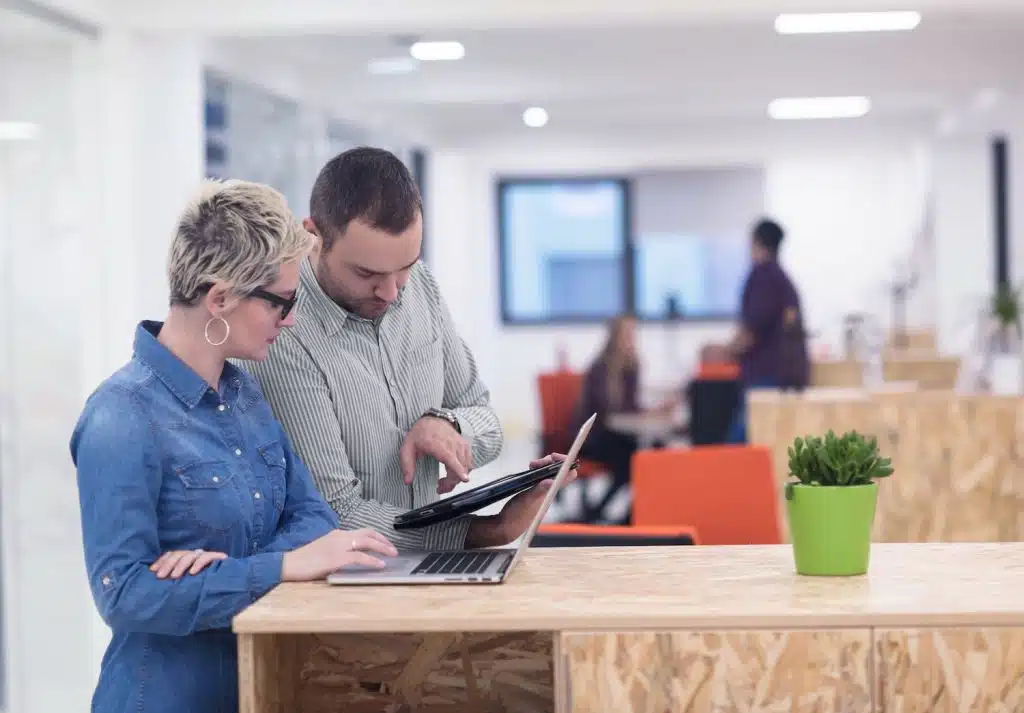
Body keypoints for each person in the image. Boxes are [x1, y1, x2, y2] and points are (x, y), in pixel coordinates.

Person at [70, 179, 398, 713]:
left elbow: (313, 518)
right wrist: (281, 567)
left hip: (257, 686)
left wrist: (223, 570)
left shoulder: (243, 392)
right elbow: (125, 596)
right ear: (219, 298)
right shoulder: (120, 416)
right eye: (280, 304)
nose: (290, 322)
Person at [238, 147, 568, 553]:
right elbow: (336, 514)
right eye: (367, 274)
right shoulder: (281, 334)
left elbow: (487, 423)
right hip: (341, 583)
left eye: (406, 266)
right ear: (315, 236)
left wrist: (444, 424)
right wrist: (488, 531)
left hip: (419, 567)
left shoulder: (421, 287)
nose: (392, 293)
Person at [571, 314, 673, 521]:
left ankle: (635, 513)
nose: (631, 339)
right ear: (614, 337)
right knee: (630, 461)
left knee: (658, 451)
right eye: (627, 334)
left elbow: (630, 407)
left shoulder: (631, 366)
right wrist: (639, 414)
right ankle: (601, 513)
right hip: (595, 437)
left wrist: (653, 411)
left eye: (633, 334)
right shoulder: (600, 368)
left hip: (617, 435)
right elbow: (607, 412)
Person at [725, 218, 809, 443]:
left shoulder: (762, 277)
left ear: (756, 242)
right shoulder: (782, 279)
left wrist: (726, 352)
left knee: (738, 444)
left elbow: (752, 329)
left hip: (765, 376)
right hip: (784, 374)